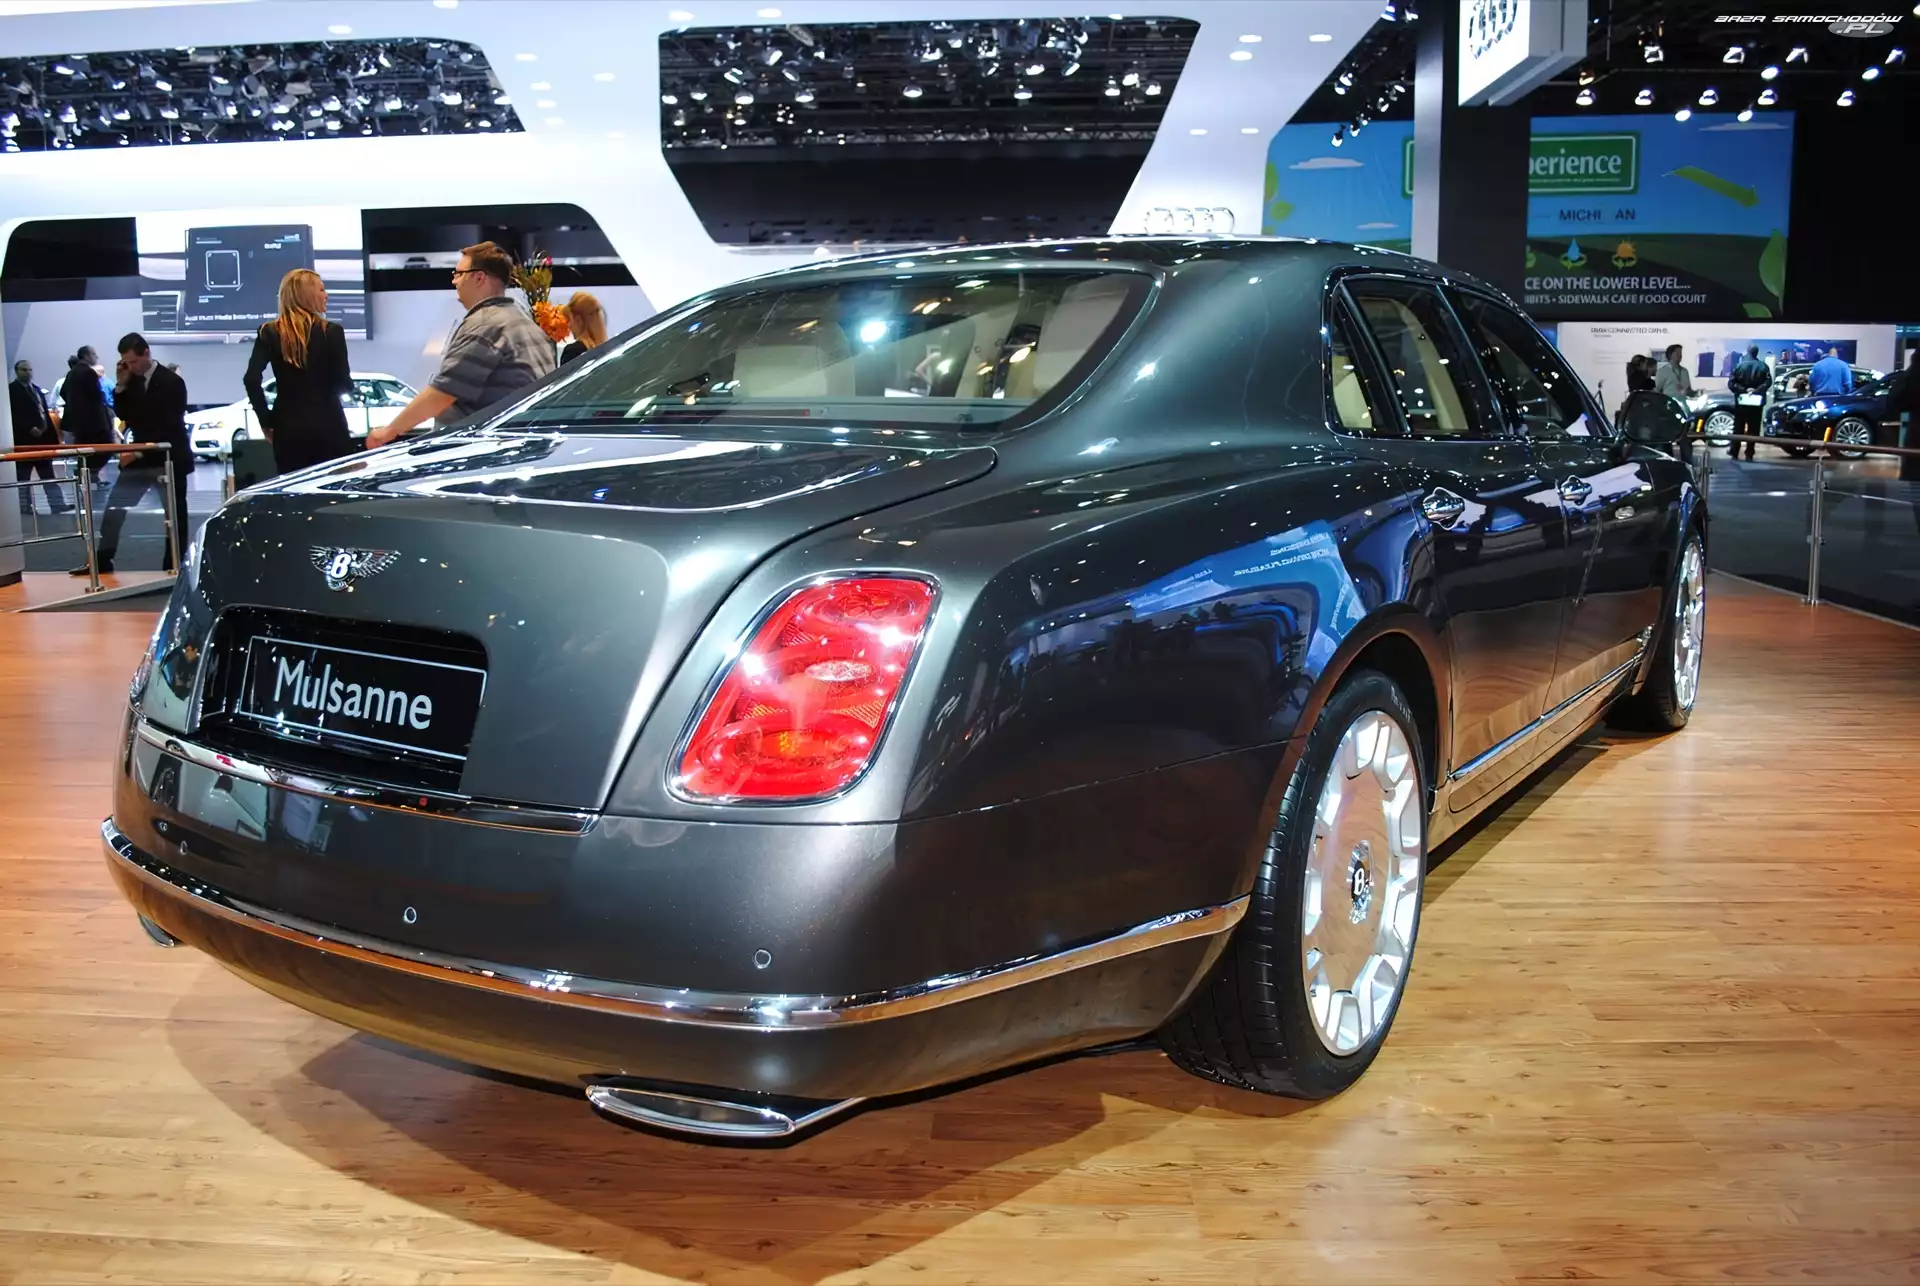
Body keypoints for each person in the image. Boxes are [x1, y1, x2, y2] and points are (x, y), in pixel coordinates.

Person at [364, 241, 555, 449]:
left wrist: (388, 432)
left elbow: (443, 392)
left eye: (458, 274)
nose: (454, 281)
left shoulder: (486, 324)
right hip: (517, 445)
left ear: (479, 278)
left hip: (482, 451)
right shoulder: (526, 324)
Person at [73, 333, 192, 575]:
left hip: (168, 458)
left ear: (146, 353)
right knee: (115, 508)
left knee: (174, 515)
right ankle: (103, 559)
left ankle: (173, 564)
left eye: (134, 361)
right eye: (126, 362)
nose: (131, 366)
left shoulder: (172, 382)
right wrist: (121, 384)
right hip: (141, 457)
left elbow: (169, 424)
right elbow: (124, 414)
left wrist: (137, 452)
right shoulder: (132, 380)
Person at [244, 268, 355, 475]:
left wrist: (266, 421)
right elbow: (343, 384)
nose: (326, 295)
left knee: (294, 489)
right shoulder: (331, 332)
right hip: (329, 426)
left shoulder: (269, 332)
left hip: (287, 430)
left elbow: (251, 379)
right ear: (307, 295)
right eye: (321, 290)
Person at [10, 358, 71, 515]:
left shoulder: (36, 390)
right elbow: (14, 414)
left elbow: (43, 412)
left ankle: (57, 504)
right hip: (24, 441)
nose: (28, 373)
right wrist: (29, 428)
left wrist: (49, 434)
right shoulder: (12, 390)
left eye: (29, 369)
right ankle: (25, 507)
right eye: (24, 370)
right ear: (17, 371)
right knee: (23, 477)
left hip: (41, 440)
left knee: (48, 475)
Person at [1727, 343, 1771, 461]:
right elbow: (1768, 382)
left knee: (1738, 427)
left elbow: (1731, 383)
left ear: (1747, 352)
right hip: (1756, 402)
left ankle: (1734, 451)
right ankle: (1749, 452)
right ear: (1757, 353)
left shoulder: (1739, 366)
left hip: (1741, 401)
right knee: (1754, 428)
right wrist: (1756, 390)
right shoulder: (1763, 366)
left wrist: (1743, 390)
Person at [559, 291, 608, 365]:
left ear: (579, 320)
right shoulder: (609, 351)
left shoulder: (572, 352)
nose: (569, 326)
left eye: (570, 320)